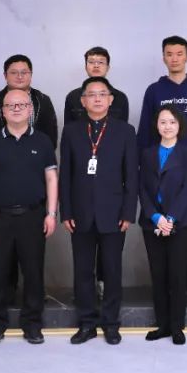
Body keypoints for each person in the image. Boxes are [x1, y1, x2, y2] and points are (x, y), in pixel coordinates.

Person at [0, 88, 58, 345]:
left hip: (33, 216)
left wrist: (51, 213)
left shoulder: (43, 141)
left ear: (30, 109)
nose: (17, 109)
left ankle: (32, 324)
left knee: (33, 273)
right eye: (11, 105)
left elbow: (51, 178)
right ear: (3, 111)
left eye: (22, 105)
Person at [61, 77, 139, 345]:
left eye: (102, 94)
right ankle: (87, 323)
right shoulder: (71, 131)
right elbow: (65, 175)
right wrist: (66, 211)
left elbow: (132, 175)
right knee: (83, 272)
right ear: (83, 101)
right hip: (80, 213)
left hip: (114, 214)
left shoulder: (125, 131)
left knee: (112, 271)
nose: (96, 99)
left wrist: (128, 213)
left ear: (110, 99)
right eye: (91, 94)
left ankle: (111, 323)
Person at [138, 35, 187, 301]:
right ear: (163, 58)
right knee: (160, 223)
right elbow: (145, 131)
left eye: (179, 53)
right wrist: (143, 170)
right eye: (169, 54)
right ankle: (165, 283)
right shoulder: (154, 91)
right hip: (160, 171)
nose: (175, 58)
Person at [138, 105, 187, 345]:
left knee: (177, 275)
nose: (167, 126)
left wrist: (171, 218)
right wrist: (156, 217)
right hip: (152, 222)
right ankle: (162, 325)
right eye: (163, 122)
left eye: (172, 122)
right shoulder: (147, 153)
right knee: (158, 274)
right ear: (156, 125)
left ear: (179, 125)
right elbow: (142, 188)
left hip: (181, 222)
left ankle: (177, 326)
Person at [0, 54, 58, 145]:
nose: (19, 76)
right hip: (3, 152)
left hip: (37, 152)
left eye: (24, 72)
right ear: (5, 75)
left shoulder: (43, 100)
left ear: (31, 74)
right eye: (14, 73)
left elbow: (51, 135)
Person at [63, 46, 131, 128]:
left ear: (108, 68)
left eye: (101, 62)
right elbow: (68, 130)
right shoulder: (72, 97)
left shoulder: (120, 98)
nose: (96, 66)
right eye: (91, 62)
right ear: (85, 67)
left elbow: (123, 131)